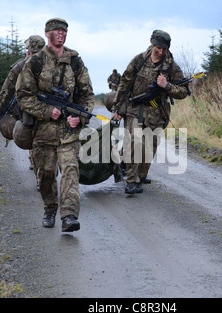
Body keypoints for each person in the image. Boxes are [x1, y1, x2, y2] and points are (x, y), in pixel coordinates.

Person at [16, 18, 95, 231]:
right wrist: (47, 111)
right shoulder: (35, 62)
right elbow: (23, 94)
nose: (61, 34)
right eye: (57, 31)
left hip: (69, 133)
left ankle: (69, 216)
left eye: (64, 31)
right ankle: (50, 208)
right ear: (47, 33)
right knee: (46, 174)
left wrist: (80, 117)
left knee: (70, 170)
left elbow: (88, 96)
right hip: (43, 132)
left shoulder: (75, 62)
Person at [112, 30, 189, 194]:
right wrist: (117, 109)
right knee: (133, 142)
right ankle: (131, 180)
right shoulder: (139, 60)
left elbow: (183, 92)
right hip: (134, 109)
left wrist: (166, 86)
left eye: (164, 49)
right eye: (158, 48)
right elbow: (125, 84)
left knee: (149, 147)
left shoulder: (171, 67)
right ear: (152, 43)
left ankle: (140, 177)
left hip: (156, 112)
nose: (160, 52)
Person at [0, 35, 45, 189]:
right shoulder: (53, 64)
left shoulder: (21, 66)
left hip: (30, 113)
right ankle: (43, 178)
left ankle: (42, 179)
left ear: (29, 49)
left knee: (35, 143)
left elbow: (6, 91)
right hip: (49, 112)